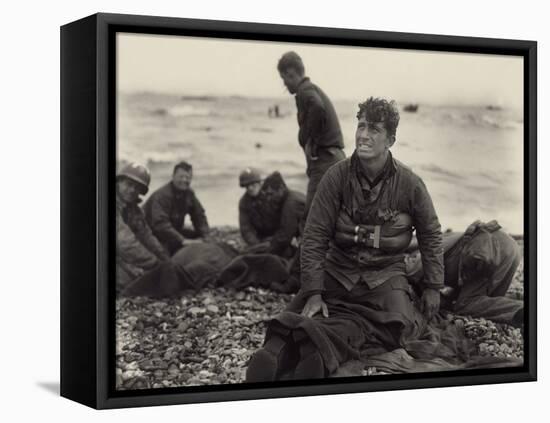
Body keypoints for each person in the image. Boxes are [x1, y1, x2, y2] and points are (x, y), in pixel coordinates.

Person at [246, 97, 444, 382]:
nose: (363, 135)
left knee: (395, 329)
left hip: (385, 277)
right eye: (361, 126)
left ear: (391, 139)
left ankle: (310, 348)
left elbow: (430, 233)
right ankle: (279, 353)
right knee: (303, 312)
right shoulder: (336, 177)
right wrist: (313, 291)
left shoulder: (410, 184)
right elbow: (314, 235)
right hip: (337, 272)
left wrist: (434, 286)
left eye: (374, 129)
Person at [406, 220, 523, 327]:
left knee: (465, 305)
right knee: (490, 304)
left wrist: (432, 290)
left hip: (486, 249)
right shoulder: (445, 249)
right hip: (510, 249)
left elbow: (415, 268)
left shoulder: (423, 256)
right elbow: (461, 284)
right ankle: (521, 313)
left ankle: (519, 309)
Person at [277, 51, 346, 217]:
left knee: (313, 215)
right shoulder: (311, 88)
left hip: (326, 160)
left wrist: (310, 141)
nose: (285, 84)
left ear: (290, 73)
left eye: (283, 79)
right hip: (334, 157)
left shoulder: (304, 91)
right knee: (332, 213)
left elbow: (317, 107)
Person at [116, 163, 171, 291]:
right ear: (119, 182)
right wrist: (154, 263)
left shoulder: (134, 209)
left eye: (137, 188)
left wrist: (165, 259)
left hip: (120, 254)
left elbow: (146, 236)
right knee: (128, 282)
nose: (132, 190)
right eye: (128, 184)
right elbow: (125, 243)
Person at [144, 161, 210, 255]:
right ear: (173, 176)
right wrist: (182, 240)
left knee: (203, 240)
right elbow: (160, 224)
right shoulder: (162, 195)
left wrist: (205, 236)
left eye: (188, 177)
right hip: (152, 233)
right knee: (164, 258)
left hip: (173, 231)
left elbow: (199, 216)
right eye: (181, 176)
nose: (184, 180)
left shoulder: (189, 194)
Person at [238, 167, 306, 259]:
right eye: (247, 186)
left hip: (282, 235)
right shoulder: (244, 202)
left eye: (253, 184)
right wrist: (257, 245)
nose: (250, 188)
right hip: (265, 237)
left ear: (259, 183)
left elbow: (287, 227)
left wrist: (272, 246)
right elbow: (246, 229)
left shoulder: (278, 196)